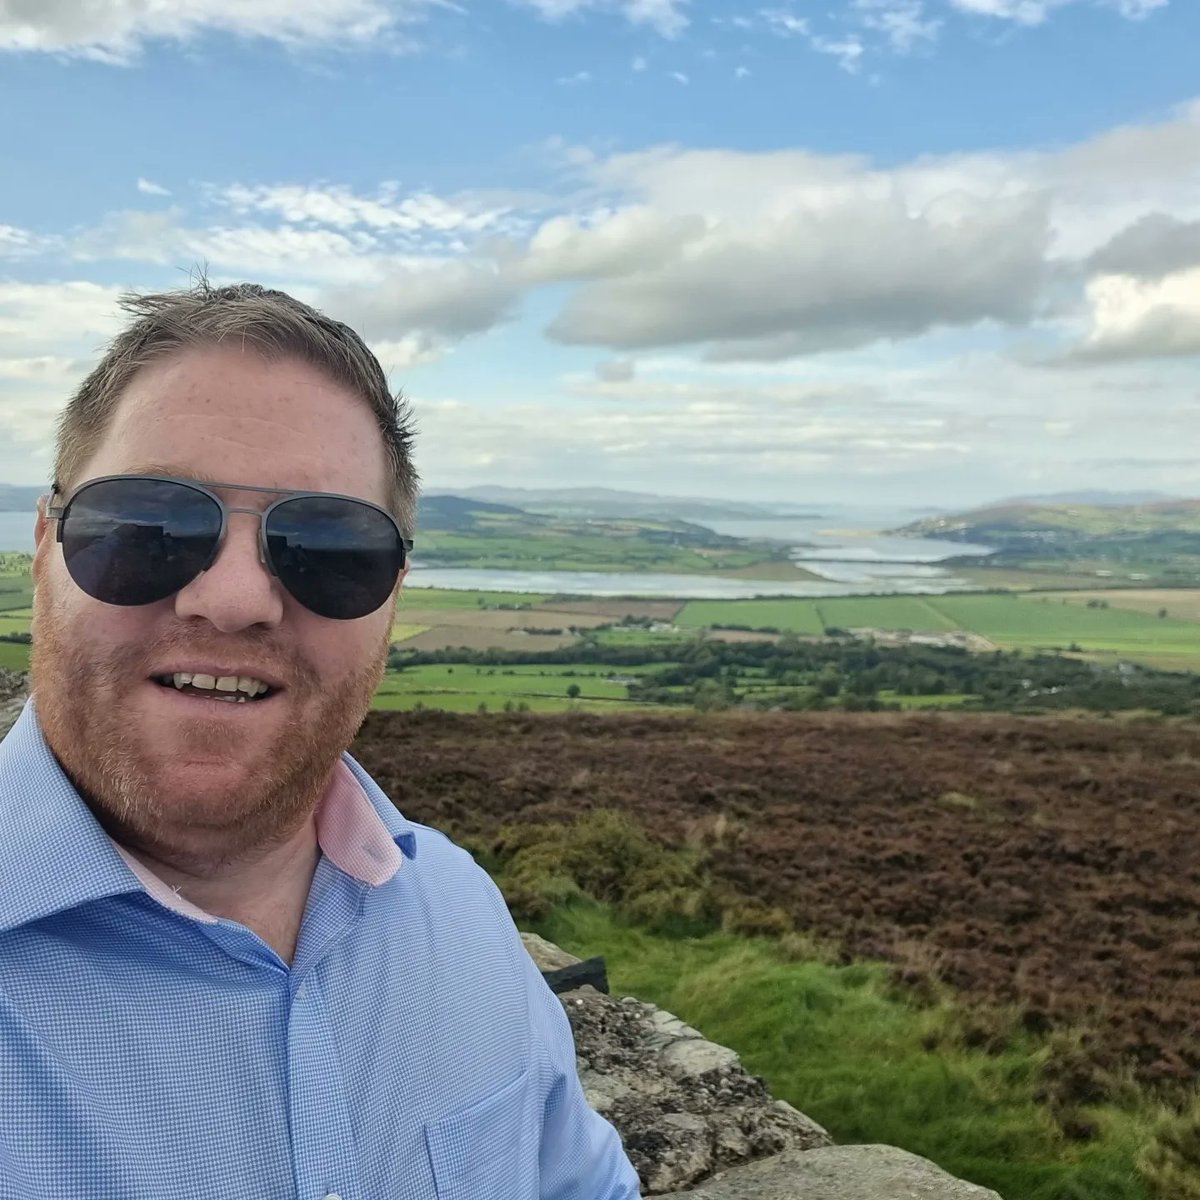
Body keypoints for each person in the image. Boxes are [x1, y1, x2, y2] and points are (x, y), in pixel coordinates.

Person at [0, 281, 642, 1199]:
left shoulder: (459, 909)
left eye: (330, 547)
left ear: (393, 598)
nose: (233, 600)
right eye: (147, 525)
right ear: (44, 546)